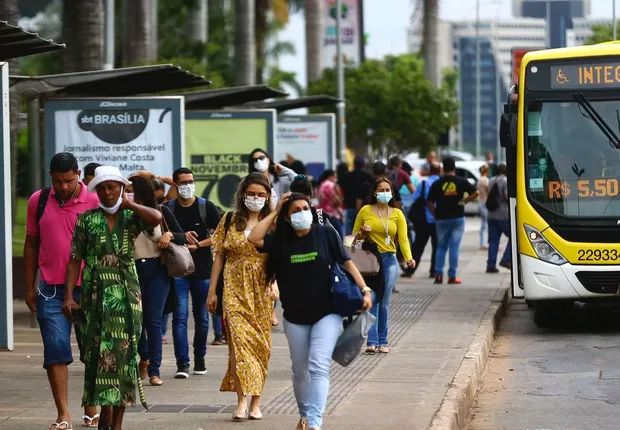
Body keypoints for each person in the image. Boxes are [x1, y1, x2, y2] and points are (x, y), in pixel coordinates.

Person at [248, 192, 372, 430]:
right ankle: (305, 416)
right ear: (286, 216)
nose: (302, 213)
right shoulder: (280, 240)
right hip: (295, 316)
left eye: (305, 208)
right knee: (299, 370)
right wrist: (275, 211)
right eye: (295, 210)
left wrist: (364, 288)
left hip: (327, 312)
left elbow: (346, 261)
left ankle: (314, 423)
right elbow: (254, 238)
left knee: (318, 365)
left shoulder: (325, 234)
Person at [63, 165, 162, 430]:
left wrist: (130, 205)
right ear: (96, 191)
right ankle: (103, 418)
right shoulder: (87, 219)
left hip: (126, 298)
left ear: (121, 189)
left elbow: (156, 218)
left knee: (123, 360)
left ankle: (116, 423)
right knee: (97, 359)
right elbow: (75, 260)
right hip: (94, 297)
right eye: (103, 188)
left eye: (113, 187)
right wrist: (68, 295)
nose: (108, 192)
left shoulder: (131, 217)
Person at [23, 153, 100, 430]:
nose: (64, 187)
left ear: (78, 174)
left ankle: (91, 407)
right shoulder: (39, 200)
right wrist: (29, 286)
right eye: (58, 181)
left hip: (88, 287)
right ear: (50, 176)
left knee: (92, 350)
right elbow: (31, 243)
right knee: (55, 350)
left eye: (69, 180)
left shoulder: (93, 200)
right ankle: (63, 414)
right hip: (50, 290)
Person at [206, 173, 276, 421]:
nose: (255, 198)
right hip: (233, 288)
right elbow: (219, 257)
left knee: (260, 346)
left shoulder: (274, 224)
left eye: (261, 194)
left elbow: (278, 258)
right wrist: (212, 290)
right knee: (238, 345)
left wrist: (276, 284)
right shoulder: (228, 220)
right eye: (251, 194)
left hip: (262, 290)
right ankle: (241, 400)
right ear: (242, 195)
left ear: (268, 196)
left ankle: (257, 401)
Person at [130, 175, 186, 386]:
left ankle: (155, 370)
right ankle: (143, 357)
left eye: (130, 190)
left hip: (157, 270)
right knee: (136, 321)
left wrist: (169, 236)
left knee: (153, 321)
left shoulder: (161, 212)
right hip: (132, 269)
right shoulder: (125, 213)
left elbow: (181, 236)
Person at [166, 167, 221, 378]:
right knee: (179, 317)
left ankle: (200, 359)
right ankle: (183, 364)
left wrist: (200, 245)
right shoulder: (168, 208)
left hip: (203, 270)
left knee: (202, 317)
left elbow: (220, 234)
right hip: (178, 269)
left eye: (190, 181)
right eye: (183, 182)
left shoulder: (206, 206)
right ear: (175, 185)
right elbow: (162, 234)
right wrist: (179, 237)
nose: (187, 186)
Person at [353, 177, 415, 354]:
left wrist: (409, 258)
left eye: (388, 190)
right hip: (371, 262)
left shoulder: (397, 213)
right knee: (372, 300)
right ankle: (371, 342)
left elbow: (403, 239)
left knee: (384, 302)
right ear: (374, 192)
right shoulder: (365, 210)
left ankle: (383, 340)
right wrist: (362, 234)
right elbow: (353, 239)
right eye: (381, 190)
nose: (385, 193)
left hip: (389, 260)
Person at [427, 157, 479, 284]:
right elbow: (476, 192)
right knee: (454, 247)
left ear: (443, 168)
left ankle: (438, 275)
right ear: (454, 167)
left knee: (441, 247)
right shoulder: (461, 181)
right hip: (457, 218)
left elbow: (429, 201)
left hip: (441, 219)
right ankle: (452, 276)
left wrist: (435, 213)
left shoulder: (437, 183)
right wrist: (464, 201)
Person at [405, 161, 441, 279]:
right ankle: (434, 271)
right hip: (438, 220)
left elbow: (414, 198)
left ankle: (410, 270)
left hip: (423, 221)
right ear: (440, 171)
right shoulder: (442, 183)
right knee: (437, 247)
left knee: (418, 245)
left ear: (430, 171)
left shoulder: (424, 183)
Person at [486, 163, 512, 273]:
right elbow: (506, 195)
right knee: (514, 237)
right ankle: (506, 259)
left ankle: (490, 265)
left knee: (493, 241)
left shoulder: (491, 180)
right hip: (503, 215)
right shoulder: (505, 180)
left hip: (491, 215)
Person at [340, 156, 373, 235]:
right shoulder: (368, 176)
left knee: (349, 228)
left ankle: (349, 245)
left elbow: (342, 189)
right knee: (363, 228)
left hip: (350, 205)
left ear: (354, 164)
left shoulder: (347, 175)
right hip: (364, 206)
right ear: (363, 164)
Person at [316, 169, 344, 235]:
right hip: (332, 215)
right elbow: (336, 201)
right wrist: (340, 199)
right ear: (330, 176)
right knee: (338, 238)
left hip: (321, 214)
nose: (335, 179)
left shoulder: (320, 185)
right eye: (335, 176)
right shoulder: (330, 185)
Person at [477, 164, 490, 250]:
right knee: (486, 224)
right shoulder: (485, 180)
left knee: (483, 223)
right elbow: (488, 191)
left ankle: (482, 242)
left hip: (480, 202)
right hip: (485, 202)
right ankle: (485, 243)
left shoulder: (479, 180)